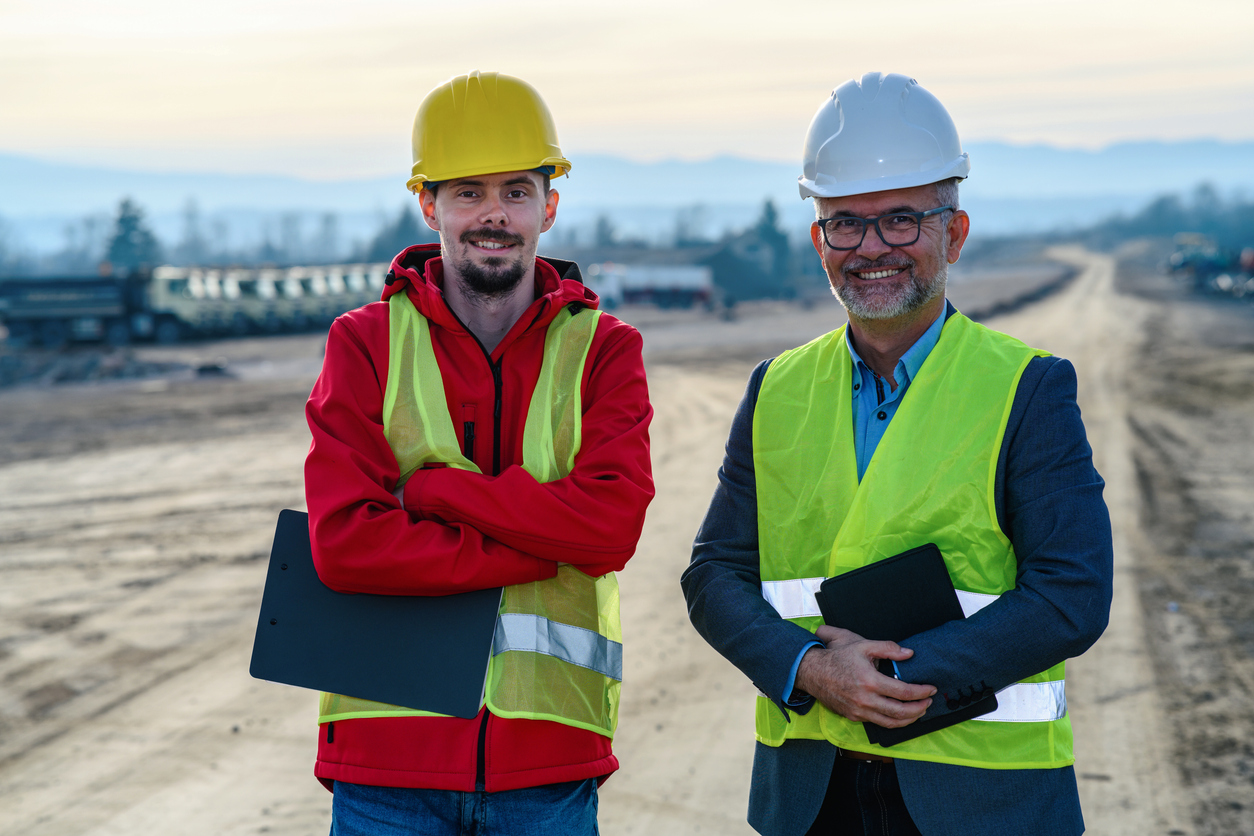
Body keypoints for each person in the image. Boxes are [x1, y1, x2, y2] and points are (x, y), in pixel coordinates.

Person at [681, 72, 1113, 836]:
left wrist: (885, 680)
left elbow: (1071, 594)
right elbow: (714, 574)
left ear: (954, 232)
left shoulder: (1028, 387)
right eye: (845, 223)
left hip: (986, 798)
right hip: (811, 797)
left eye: (903, 220)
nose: (872, 248)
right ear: (819, 241)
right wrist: (809, 671)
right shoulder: (775, 388)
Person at [304, 71, 654, 835]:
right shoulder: (363, 343)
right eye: (467, 192)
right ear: (428, 203)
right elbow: (343, 547)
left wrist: (433, 494)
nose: (493, 214)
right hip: (386, 760)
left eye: (517, 191)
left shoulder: (606, 350)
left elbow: (609, 532)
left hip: (548, 763)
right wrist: (542, 547)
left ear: (549, 206)